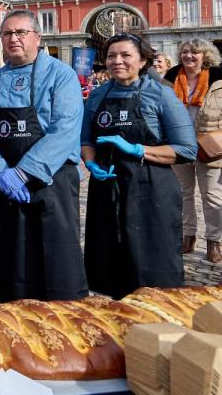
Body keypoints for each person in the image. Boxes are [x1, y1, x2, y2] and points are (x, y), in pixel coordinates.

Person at [0, 9, 87, 301]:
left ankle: (63, 309)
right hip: (6, 180)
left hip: (52, 178)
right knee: (12, 251)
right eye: (7, 34)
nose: (13, 39)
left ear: (37, 37)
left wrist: (24, 172)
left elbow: (65, 128)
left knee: (56, 250)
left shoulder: (62, 75)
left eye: (21, 33)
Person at [82, 33, 195, 298]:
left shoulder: (162, 95)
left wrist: (137, 149)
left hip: (152, 189)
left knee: (152, 267)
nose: (117, 61)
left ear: (143, 60)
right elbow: (85, 140)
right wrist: (90, 162)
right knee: (110, 263)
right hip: (107, 188)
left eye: (125, 55)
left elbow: (186, 149)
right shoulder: (97, 96)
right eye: (111, 56)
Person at [164, 39, 222, 262]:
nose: (189, 56)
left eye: (195, 52)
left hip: (210, 147)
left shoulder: (218, 78)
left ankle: (213, 241)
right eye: (185, 52)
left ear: (204, 55)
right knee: (183, 195)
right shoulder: (171, 77)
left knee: (212, 197)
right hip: (179, 145)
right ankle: (187, 237)